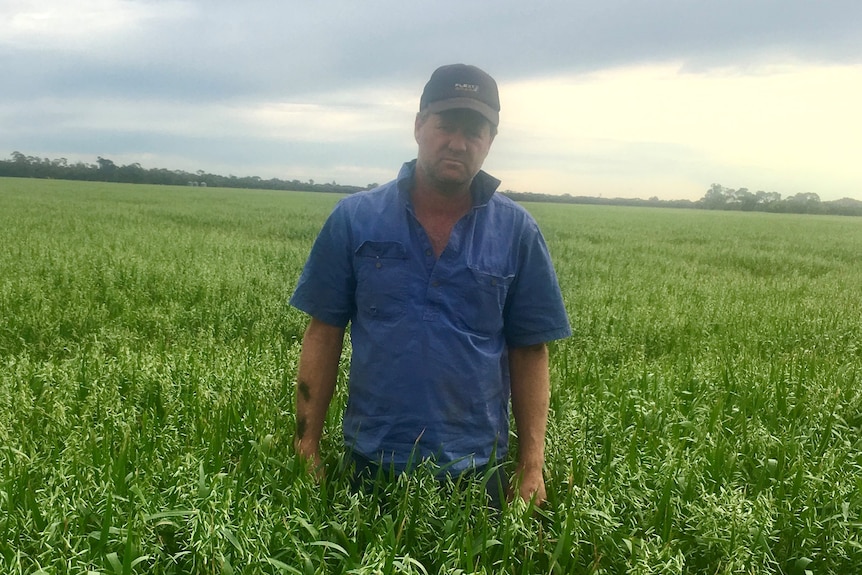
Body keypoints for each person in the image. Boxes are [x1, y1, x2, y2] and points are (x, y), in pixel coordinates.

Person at [289, 63, 571, 507]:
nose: (458, 143)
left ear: (491, 140)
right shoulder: (353, 218)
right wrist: (307, 445)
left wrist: (530, 464)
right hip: (369, 462)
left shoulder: (518, 231)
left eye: (475, 131)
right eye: (446, 125)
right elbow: (323, 333)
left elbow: (530, 350)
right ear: (419, 125)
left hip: (480, 472)